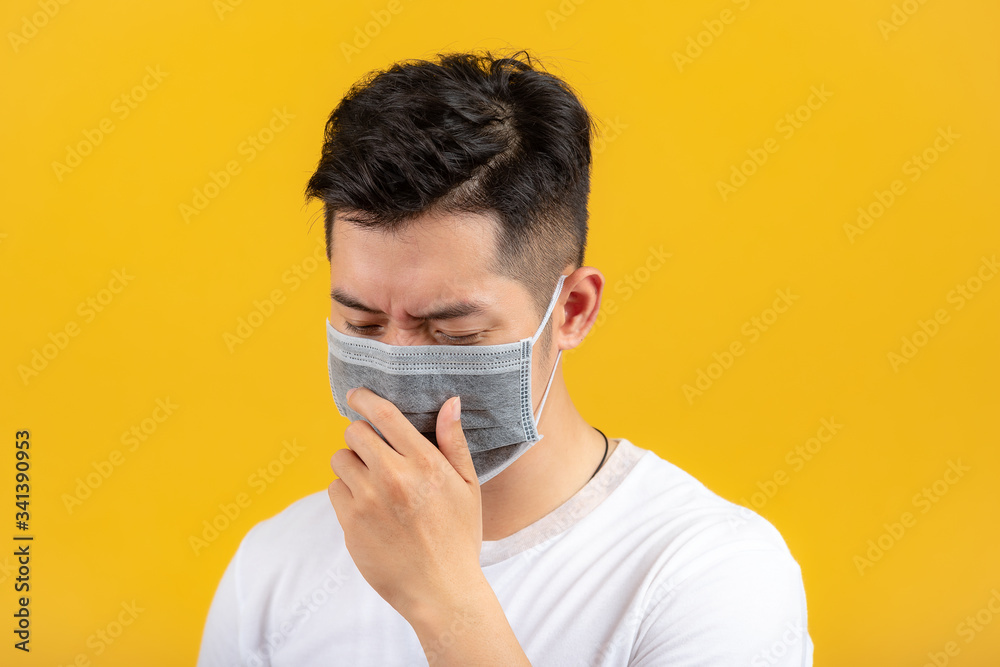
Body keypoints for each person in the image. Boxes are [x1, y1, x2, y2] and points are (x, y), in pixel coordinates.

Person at [196, 49, 813, 666]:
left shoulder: (711, 575)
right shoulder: (273, 569)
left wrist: (447, 602)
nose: (395, 367)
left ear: (572, 310)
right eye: (362, 323)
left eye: (453, 331)